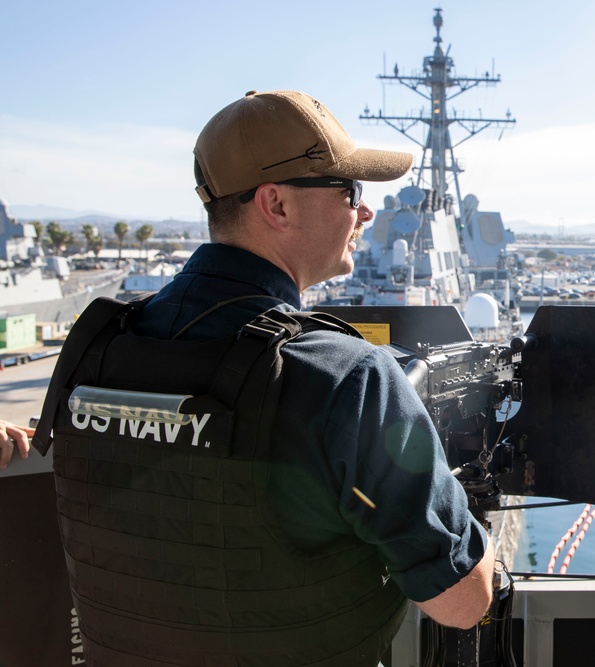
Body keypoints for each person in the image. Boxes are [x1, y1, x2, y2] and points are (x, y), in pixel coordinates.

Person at [32, 90, 495, 666]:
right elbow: (461, 603)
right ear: (276, 205)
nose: (365, 212)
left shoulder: (99, 346)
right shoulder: (348, 378)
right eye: (349, 191)